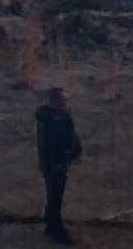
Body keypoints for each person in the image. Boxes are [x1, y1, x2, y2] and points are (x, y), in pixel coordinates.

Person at [36, 87, 82, 244]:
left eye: (65, 100)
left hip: (62, 163)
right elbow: (46, 147)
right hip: (52, 165)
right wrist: (55, 165)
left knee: (55, 196)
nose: (64, 103)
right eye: (61, 100)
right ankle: (57, 230)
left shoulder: (64, 115)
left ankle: (51, 225)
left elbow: (72, 135)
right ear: (52, 101)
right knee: (55, 197)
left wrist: (76, 150)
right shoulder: (46, 120)